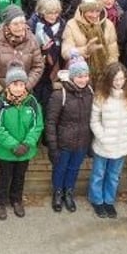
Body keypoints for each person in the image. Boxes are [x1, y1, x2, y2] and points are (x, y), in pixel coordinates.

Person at [0, 64, 44, 220]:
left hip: (25, 150)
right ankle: (0, 202)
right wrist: (13, 145)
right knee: (4, 177)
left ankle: (16, 199)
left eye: (21, 84)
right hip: (6, 151)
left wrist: (27, 143)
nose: (19, 88)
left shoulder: (32, 102)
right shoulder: (0, 104)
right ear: (8, 85)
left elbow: (37, 125)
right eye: (15, 84)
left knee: (20, 176)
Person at [88, 63, 127, 218]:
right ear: (109, 79)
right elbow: (94, 120)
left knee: (114, 175)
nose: (119, 82)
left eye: (122, 79)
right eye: (115, 79)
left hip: (122, 143)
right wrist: (102, 136)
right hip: (104, 144)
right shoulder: (101, 96)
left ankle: (109, 201)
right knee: (98, 174)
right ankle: (97, 200)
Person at [44, 56, 94, 213]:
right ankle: (58, 192)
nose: (83, 80)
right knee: (60, 168)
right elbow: (51, 122)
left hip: (82, 141)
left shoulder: (90, 92)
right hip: (63, 142)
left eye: (85, 76)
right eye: (79, 76)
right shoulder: (60, 94)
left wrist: (91, 141)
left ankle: (69, 192)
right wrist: (52, 146)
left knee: (74, 168)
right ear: (72, 77)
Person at [0, 5, 44, 103]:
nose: (20, 27)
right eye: (15, 24)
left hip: (23, 96)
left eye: (22, 23)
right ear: (7, 25)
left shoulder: (32, 40)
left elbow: (38, 66)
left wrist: (25, 87)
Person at [61, 0, 118, 81]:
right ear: (83, 10)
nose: (94, 15)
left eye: (97, 11)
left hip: (104, 75)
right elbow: (66, 52)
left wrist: (110, 72)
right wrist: (84, 50)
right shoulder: (72, 25)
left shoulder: (108, 25)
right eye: (91, 11)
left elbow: (113, 53)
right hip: (80, 76)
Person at [27, 0, 67, 107]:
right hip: (36, 65)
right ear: (42, 12)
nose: (53, 16)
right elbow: (27, 47)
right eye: (50, 13)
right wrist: (41, 49)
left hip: (55, 65)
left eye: (56, 13)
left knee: (50, 99)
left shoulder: (62, 24)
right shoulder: (32, 24)